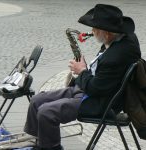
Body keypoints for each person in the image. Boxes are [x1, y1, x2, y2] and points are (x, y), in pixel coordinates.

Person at [24, 4, 141, 150]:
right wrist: (85, 72)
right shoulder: (122, 37)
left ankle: (50, 148)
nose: (91, 31)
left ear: (108, 33)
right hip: (90, 90)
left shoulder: (115, 56)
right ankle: (39, 142)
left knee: (46, 112)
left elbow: (94, 89)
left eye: (95, 28)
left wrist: (81, 71)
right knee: (36, 100)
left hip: (101, 102)